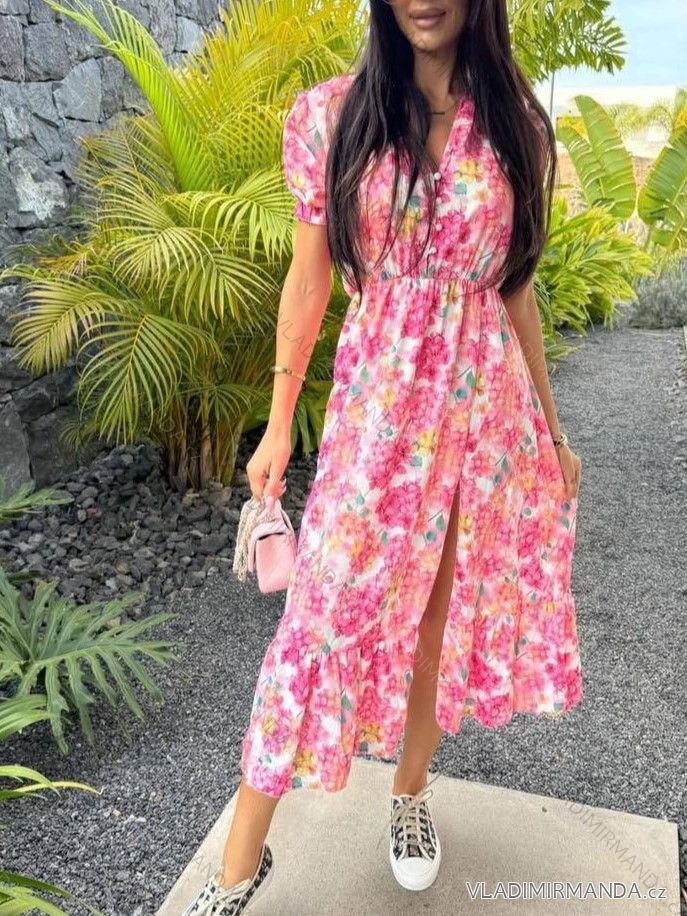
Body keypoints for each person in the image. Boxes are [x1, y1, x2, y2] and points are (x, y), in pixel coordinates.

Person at [184, 0, 583, 912]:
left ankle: (407, 795)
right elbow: (309, 276)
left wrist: (553, 433)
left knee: (440, 618)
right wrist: (277, 422)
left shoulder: (516, 125)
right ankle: (238, 870)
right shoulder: (332, 116)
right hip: (379, 413)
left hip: (484, 414)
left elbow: (513, 290)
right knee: (318, 617)